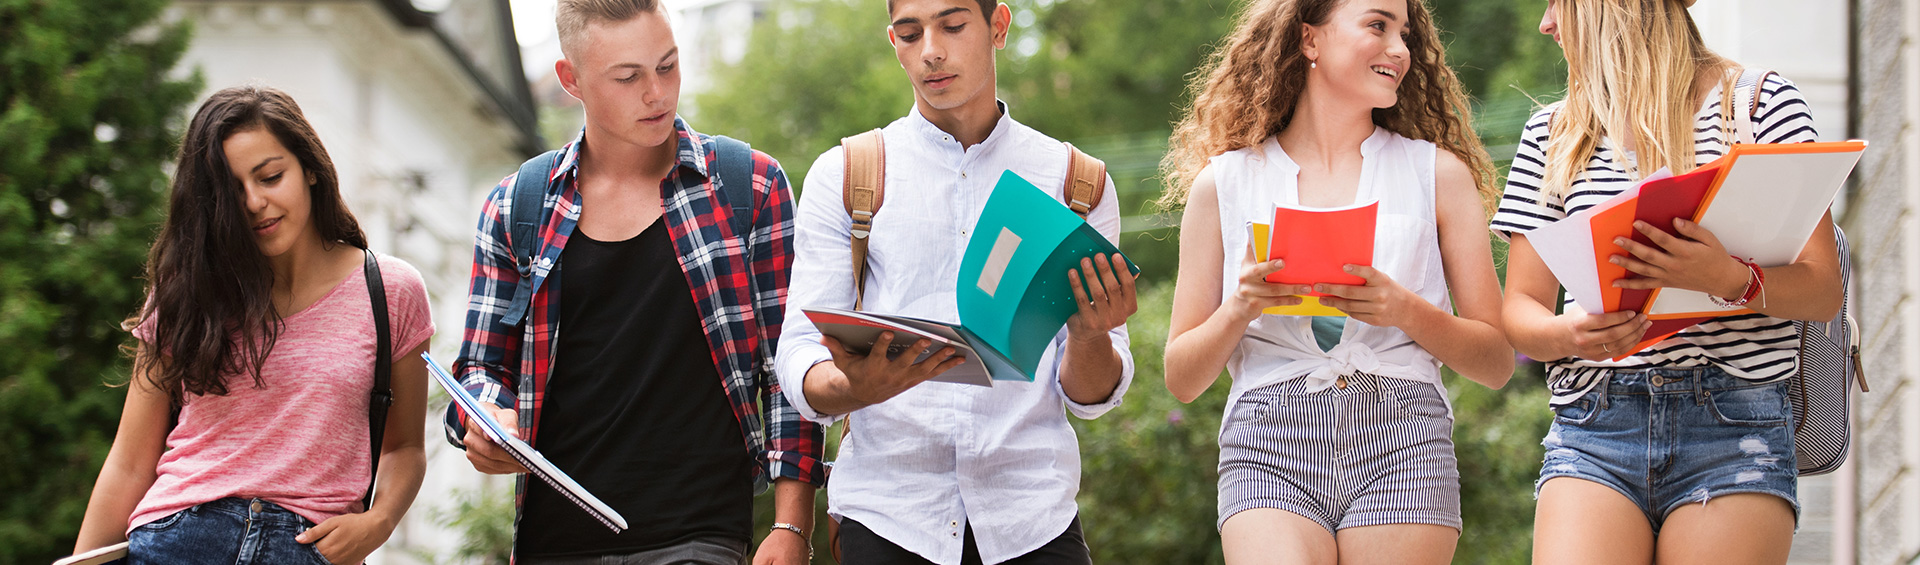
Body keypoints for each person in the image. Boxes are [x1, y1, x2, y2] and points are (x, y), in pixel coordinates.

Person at [441, 0, 823, 563]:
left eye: (667, 66)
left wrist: (792, 526)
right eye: (629, 77)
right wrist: (486, 417)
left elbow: (790, 368)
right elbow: (478, 367)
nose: (657, 93)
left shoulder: (750, 187)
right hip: (554, 539)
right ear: (571, 80)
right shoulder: (517, 206)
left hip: (701, 533)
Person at [772, 0, 1139, 563]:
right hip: (889, 517)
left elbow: (1090, 397)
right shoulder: (847, 174)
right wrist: (853, 389)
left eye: (952, 25)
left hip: (1032, 521)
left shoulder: (1075, 184)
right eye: (910, 33)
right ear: (892, 40)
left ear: (998, 25)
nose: (931, 51)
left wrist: (1091, 337)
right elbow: (798, 352)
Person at [1159, 0, 1514, 563]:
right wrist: (1239, 308)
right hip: (1266, 444)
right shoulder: (1222, 184)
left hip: (1406, 441)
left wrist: (1404, 309)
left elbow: (1496, 363)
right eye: (1378, 25)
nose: (1401, 49)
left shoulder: (1438, 174)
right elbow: (1180, 377)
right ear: (1310, 40)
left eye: (1405, 33)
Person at [1493, 1, 1840, 563]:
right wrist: (1571, 335)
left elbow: (1824, 292)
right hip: (1595, 424)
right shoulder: (1551, 132)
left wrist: (1731, 279)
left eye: (1558, 3)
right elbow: (1521, 313)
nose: (1546, 23)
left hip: (1734, 422)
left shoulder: (1759, 105)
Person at [72, 85, 434, 565]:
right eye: (231, 191)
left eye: (270, 177)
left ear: (309, 168)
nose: (254, 202)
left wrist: (378, 522)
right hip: (180, 538)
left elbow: (405, 447)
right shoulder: (189, 290)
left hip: (308, 547)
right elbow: (129, 461)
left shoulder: (390, 290)